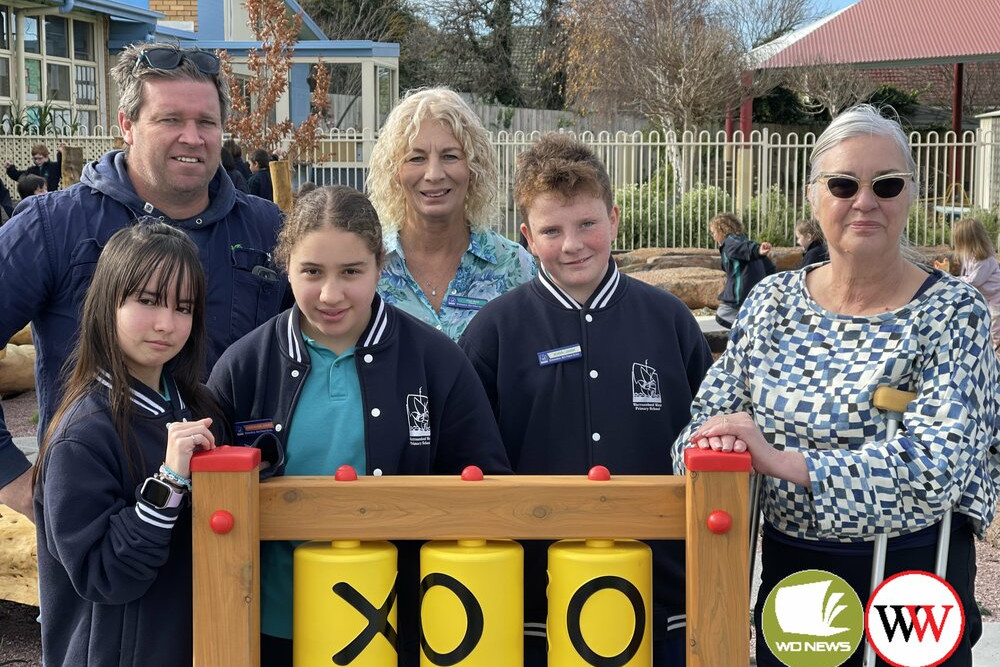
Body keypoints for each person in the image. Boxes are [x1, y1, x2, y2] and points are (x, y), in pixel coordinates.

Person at [674, 104, 999, 667]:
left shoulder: (954, 313)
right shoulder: (772, 303)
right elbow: (704, 429)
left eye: (887, 184)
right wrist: (715, 446)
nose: (864, 201)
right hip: (796, 575)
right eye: (844, 183)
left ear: (911, 196)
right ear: (814, 194)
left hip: (914, 578)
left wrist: (781, 461)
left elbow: (937, 465)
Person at [207, 185, 510, 667]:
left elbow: (486, 488)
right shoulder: (244, 366)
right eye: (311, 272)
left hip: (400, 626)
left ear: (380, 266)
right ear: (286, 266)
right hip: (271, 628)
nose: (331, 294)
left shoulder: (437, 361)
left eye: (351, 272)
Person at [0, 42, 285, 521]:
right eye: (170, 120)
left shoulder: (267, 230)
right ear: (127, 125)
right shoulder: (54, 227)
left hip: (235, 517)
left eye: (206, 122)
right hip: (99, 533)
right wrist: (12, 477)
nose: (192, 137)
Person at [460, 134, 713, 666]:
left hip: (659, 590)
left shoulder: (669, 321)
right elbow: (472, 459)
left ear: (615, 219)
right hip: (533, 594)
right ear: (527, 236)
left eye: (587, 224)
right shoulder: (494, 332)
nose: (572, 244)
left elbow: (706, 439)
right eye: (552, 230)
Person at [34, 222, 223, 666]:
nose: (166, 323)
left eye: (183, 307)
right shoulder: (82, 436)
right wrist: (170, 481)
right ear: (107, 303)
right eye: (147, 301)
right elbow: (105, 575)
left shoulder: (196, 405)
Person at [368, 87, 535, 341]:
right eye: (416, 158)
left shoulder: (515, 266)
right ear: (394, 172)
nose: (434, 174)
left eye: (450, 156)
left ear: (474, 168)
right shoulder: (368, 267)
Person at [709, 212, 775, 328]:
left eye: (714, 233)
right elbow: (769, 267)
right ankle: (748, 330)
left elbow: (744, 248)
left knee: (722, 314)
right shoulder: (741, 240)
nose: (713, 237)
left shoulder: (731, 241)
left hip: (740, 295)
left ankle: (746, 330)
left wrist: (757, 250)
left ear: (722, 230)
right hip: (752, 293)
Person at [952, 217, 1000, 350]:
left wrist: (956, 279)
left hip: (996, 297)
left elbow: (974, 281)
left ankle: (995, 352)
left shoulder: (984, 259)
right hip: (988, 297)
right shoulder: (971, 255)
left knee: (995, 329)